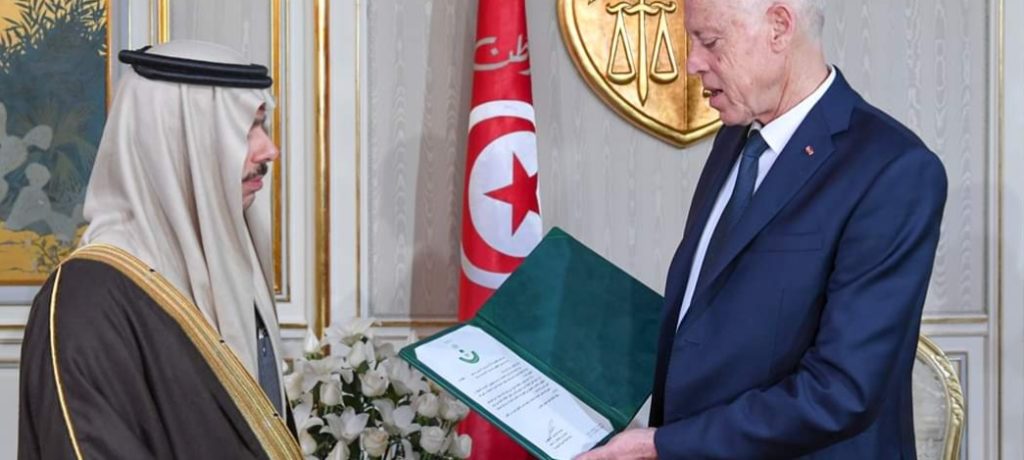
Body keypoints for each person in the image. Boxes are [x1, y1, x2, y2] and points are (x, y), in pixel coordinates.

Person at [578, 0, 947, 458]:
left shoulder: (894, 170)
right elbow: (713, 314)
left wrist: (663, 445)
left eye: (710, 41)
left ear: (778, 27)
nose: (692, 63)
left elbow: (842, 391)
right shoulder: (735, 139)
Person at [18, 40, 302, 459]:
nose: (269, 150)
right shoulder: (86, 300)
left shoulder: (230, 272)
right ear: (177, 142)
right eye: (247, 129)